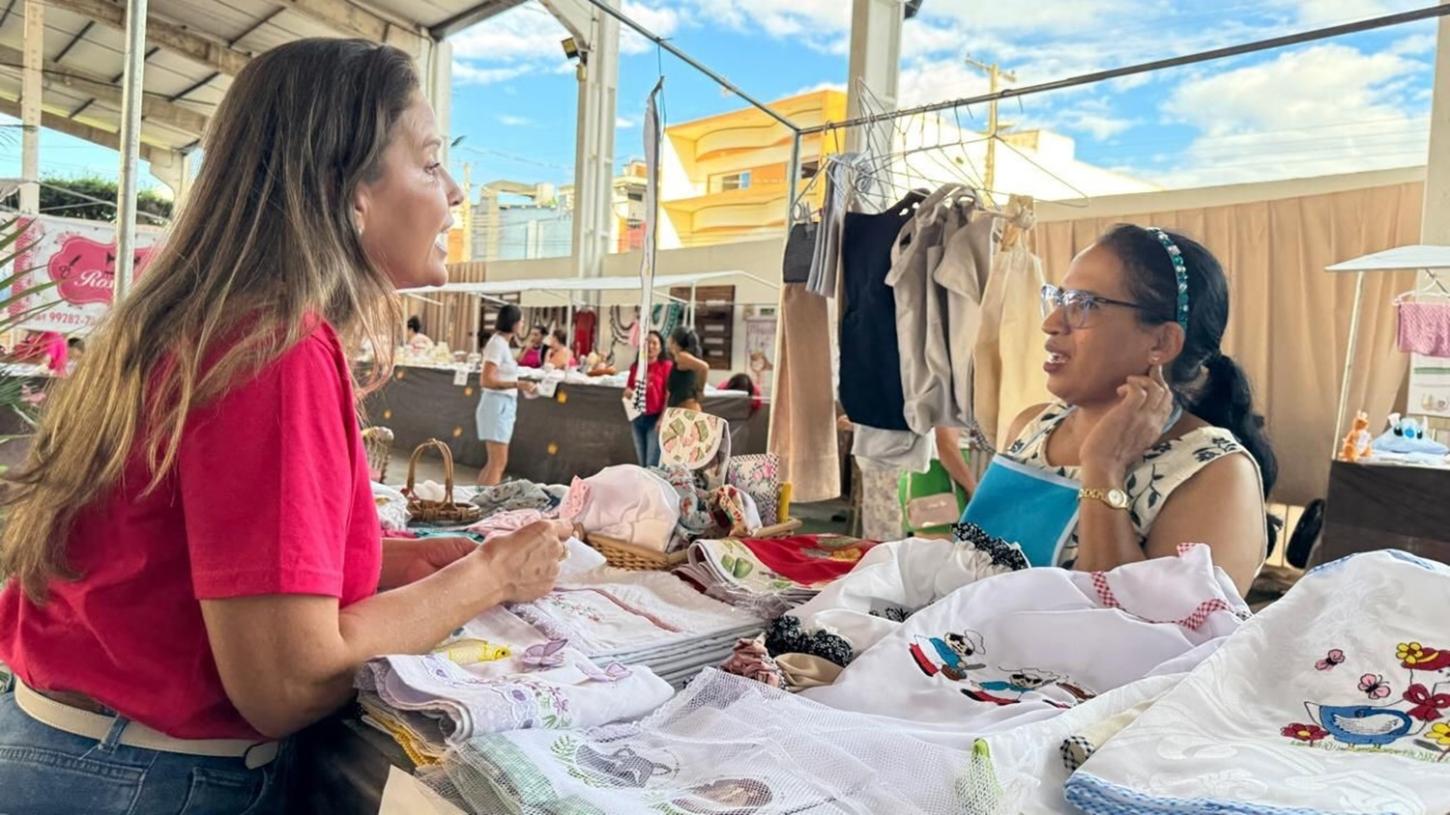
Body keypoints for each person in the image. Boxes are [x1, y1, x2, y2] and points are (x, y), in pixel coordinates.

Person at [0, 39, 568, 813]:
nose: (455, 194)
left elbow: (219, 566)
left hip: (86, 755)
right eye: (431, 162)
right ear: (350, 191)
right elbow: (289, 680)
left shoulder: (215, 319)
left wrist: (416, 563)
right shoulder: (270, 347)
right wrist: (487, 577)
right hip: (144, 782)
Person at [972, 224, 1275, 596]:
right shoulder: (1033, 426)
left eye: (1085, 304)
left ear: (1161, 342)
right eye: (1060, 298)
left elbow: (1155, 639)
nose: (1051, 323)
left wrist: (1103, 469)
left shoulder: (1213, 473)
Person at [477, 303, 536, 486]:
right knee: (498, 463)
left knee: (494, 462)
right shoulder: (497, 345)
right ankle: (487, 504)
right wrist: (518, 385)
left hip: (502, 406)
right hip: (497, 406)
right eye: (522, 321)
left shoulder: (501, 344)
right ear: (515, 323)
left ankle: (476, 501)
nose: (523, 325)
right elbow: (486, 380)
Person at [624, 330, 673, 467]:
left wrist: (662, 418)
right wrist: (627, 392)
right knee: (641, 461)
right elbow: (629, 390)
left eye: (654, 343)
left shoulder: (666, 367)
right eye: (647, 343)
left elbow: (669, 395)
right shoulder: (636, 367)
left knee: (651, 463)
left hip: (655, 419)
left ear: (660, 347)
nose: (650, 346)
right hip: (637, 417)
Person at [666, 326, 709, 412]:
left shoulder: (681, 356)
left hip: (686, 408)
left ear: (674, 341)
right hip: (683, 407)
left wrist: (700, 390)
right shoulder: (681, 357)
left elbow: (704, 367)